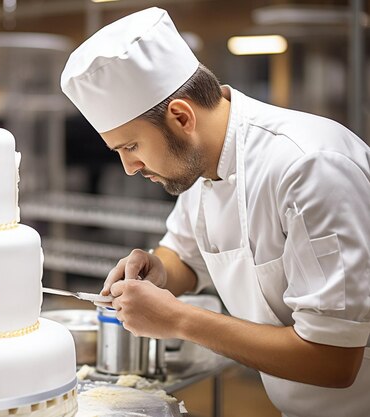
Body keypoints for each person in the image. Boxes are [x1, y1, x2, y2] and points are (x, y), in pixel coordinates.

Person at [60, 7, 370, 417]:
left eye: (131, 147)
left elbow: (333, 359)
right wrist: (159, 271)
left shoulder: (309, 166)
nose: (129, 168)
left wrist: (179, 320)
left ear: (181, 117)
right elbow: (185, 254)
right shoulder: (201, 162)